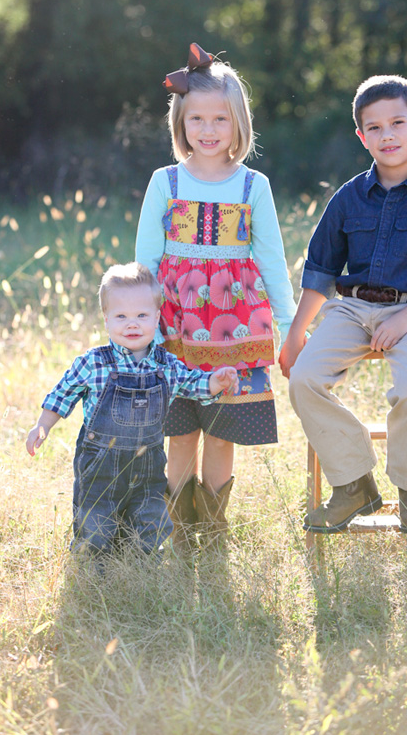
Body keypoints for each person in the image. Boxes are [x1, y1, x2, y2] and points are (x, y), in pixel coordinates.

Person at [279, 75, 407, 534]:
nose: (388, 135)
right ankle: (354, 483)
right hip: (352, 310)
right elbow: (321, 271)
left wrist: (406, 317)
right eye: (375, 128)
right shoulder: (348, 198)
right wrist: (295, 333)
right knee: (304, 379)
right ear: (361, 136)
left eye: (398, 123)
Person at [136, 43, 296, 551]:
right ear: (180, 122)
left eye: (219, 119)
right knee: (180, 431)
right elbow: (147, 263)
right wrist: (147, 323)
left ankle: (212, 528)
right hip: (176, 329)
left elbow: (271, 259)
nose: (207, 130)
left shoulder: (253, 186)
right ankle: (179, 528)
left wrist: (290, 324)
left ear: (238, 123)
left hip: (238, 326)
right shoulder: (166, 182)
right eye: (197, 119)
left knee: (222, 430)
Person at [26, 262, 238, 559]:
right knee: (96, 523)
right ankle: (95, 569)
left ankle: (142, 569)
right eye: (121, 316)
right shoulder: (93, 363)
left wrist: (216, 381)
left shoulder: (166, 364)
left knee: (149, 522)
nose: (132, 324)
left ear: (156, 318)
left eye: (141, 315)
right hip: (100, 465)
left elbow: (193, 384)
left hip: (147, 465)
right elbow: (63, 393)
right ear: (106, 320)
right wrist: (43, 425)